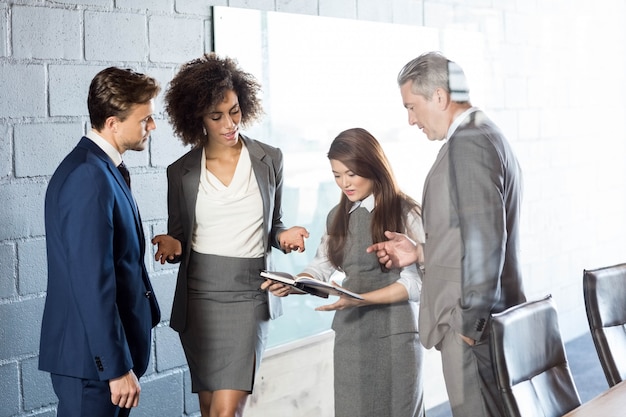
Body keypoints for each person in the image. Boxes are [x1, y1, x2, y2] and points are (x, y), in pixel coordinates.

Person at [367, 51, 526, 416]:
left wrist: (469, 326)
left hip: (473, 332)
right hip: (483, 324)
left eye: (411, 107)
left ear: (439, 97)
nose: (410, 120)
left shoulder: (469, 145)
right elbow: (470, 233)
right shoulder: (485, 134)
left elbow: (487, 243)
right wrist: (421, 252)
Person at [151, 53, 309, 417]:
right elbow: (179, 235)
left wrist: (285, 236)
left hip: (250, 293)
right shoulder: (181, 172)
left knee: (226, 411)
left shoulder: (271, 159)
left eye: (234, 111)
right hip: (199, 297)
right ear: (198, 119)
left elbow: (275, 225)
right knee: (209, 408)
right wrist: (172, 245)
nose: (229, 123)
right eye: (216, 116)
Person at [264, 128, 425, 417]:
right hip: (351, 336)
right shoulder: (335, 217)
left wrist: (361, 299)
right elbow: (321, 267)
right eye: (337, 175)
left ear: (372, 166)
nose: (344, 183)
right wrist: (299, 283)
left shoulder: (405, 211)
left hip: (396, 335)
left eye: (351, 173)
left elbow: (417, 285)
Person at [39, 67, 162, 417]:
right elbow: (92, 282)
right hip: (93, 367)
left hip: (102, 362)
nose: (152, 127)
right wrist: (116, 368)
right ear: (112, 122)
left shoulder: (102, 169)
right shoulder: (89, 177)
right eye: (146, 119)